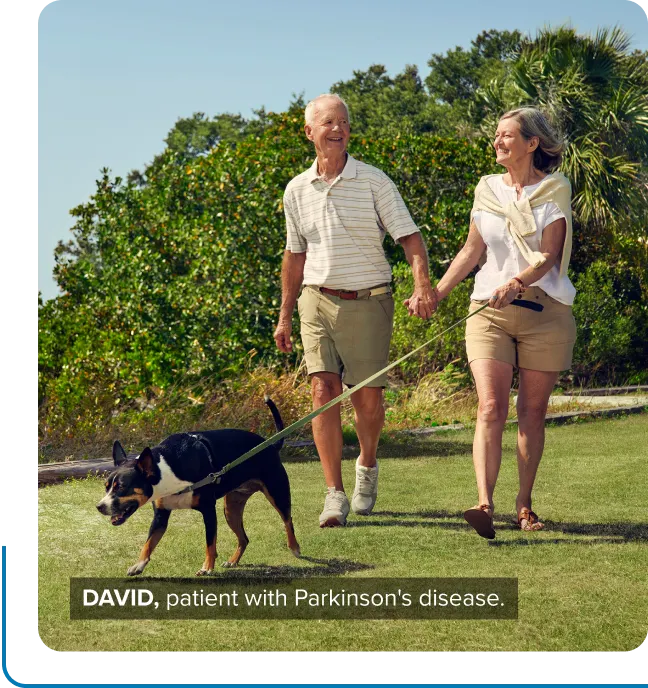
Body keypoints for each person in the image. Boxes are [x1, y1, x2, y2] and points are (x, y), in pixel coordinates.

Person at [274, 93, 436, 527]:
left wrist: (423, 286)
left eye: (343, 122)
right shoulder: (295, 190)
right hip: (316, 299)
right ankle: (334, 494)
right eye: (328, 122)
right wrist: (286, 314)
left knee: (366, 398)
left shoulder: (374, 181)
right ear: (309, 132)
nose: (337, 129)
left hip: (368, 300)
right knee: (322, 392)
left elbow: (410, 239)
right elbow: (294, 255)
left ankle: (366, 467)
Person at [420, 106, 576, 538]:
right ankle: (483, 504)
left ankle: (523, 507)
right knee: (490, 406)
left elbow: (548, 255)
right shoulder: (486, 189)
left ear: (532, 144)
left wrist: (516, 282)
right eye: (496, 134)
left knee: (531, 411)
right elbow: (472, 251)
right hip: (488, 311)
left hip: (545, 312)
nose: (498, 141)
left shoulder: (554, 189)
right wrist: (437, 293)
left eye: (507, 135)